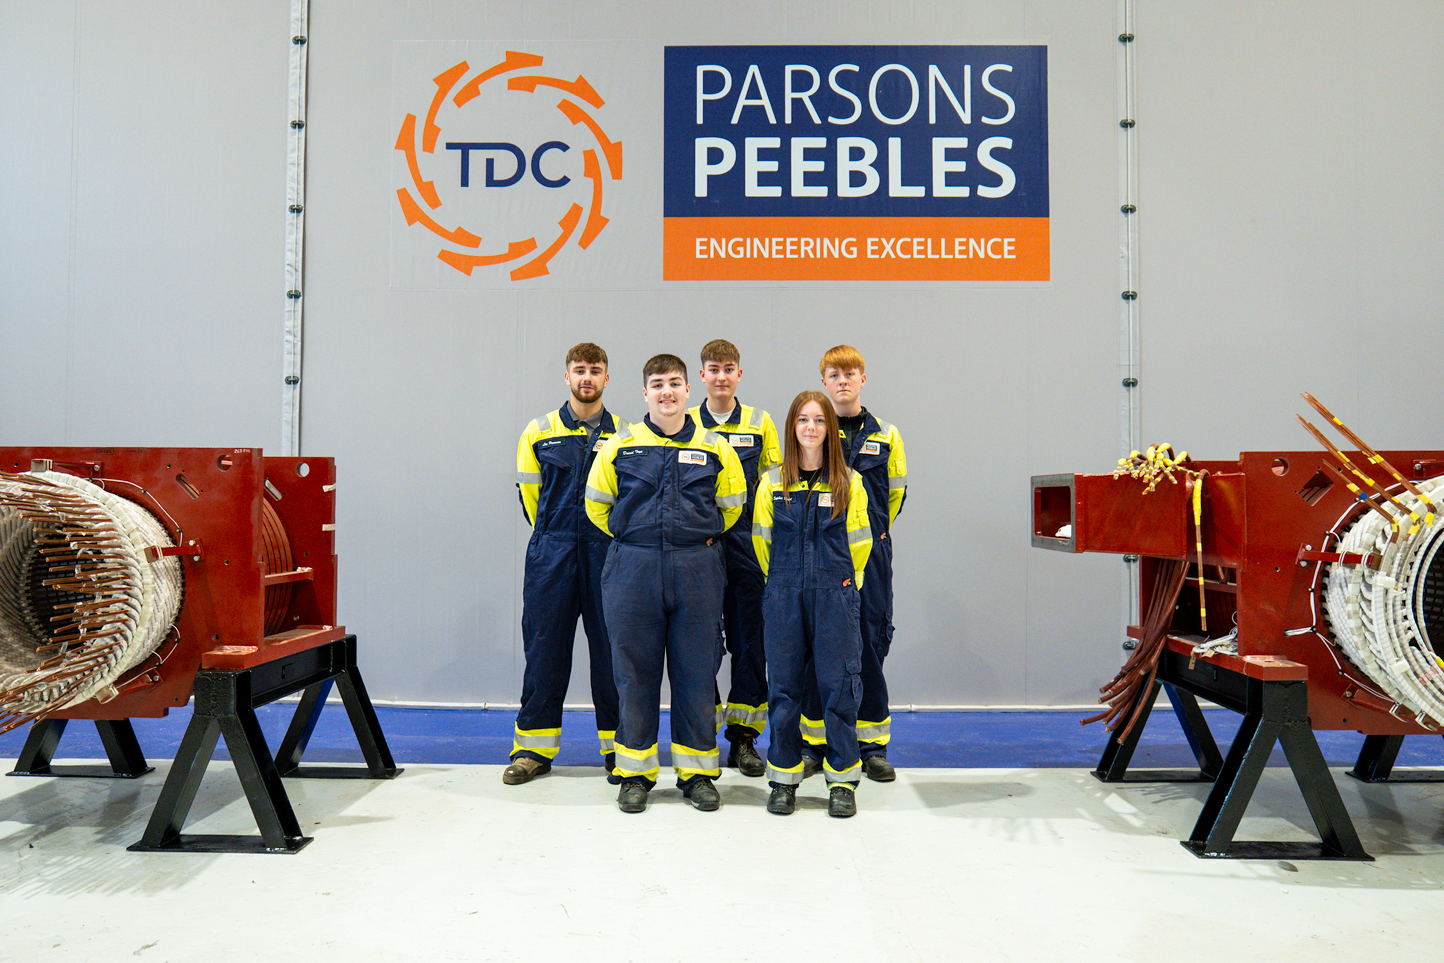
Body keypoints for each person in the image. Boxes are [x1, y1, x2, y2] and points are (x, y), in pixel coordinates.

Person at [585, 353, 748, 813]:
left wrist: (693, 538)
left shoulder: (716, 448)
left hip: (698, 568)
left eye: (674, 383)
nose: (667, 392)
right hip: (633, 569)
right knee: (633, 674)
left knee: (696, 673)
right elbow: (597, 505)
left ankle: (697, 775)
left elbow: (732, 505)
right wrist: (637, 538)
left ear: (688, 390)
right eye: (657, 384)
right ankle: (635, 774)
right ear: (644, 393)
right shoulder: (620, 446)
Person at [506, 343, 628, 785]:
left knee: (613, 654)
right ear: (567, 377)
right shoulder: (539, 431)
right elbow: (531, 498)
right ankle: (533, 750)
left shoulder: (626, 436)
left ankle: (620, 749)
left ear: (606, 378)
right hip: (552, 554)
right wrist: (553, 536)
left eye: (595, 370)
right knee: (545, 650)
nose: (587, 378)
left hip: (607, 556)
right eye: (580, 370)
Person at [753, 391, 872, 818]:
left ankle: (841, 782)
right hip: (783, 595)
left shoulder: (848, 483)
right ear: (792, 427)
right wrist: (782, 584)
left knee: (839, 688)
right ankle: (784, 780)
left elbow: (860, 545)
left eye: (820, 420)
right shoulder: (772, 483)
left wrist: (843, 587)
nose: (811, 427)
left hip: (835, 595)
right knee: (784, 689)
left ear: (830, 429)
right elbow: (762, 542)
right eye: (803, 419)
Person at [801, 345, 907, 782]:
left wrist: (870, 535)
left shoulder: (887, 435)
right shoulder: (814, 429)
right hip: (821, 556)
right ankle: (815, 744)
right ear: (823, 381)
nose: (842, 381)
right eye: (834, 375)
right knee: (817, 649)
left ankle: (872, 745)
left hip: (871, 554)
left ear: (863, 379)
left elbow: (896, 494)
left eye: (850, 374)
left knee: (868, 644)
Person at [688, 339, 781, 777]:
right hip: (699, 548)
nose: (721, 376)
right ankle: (701, 734)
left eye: (729, 369)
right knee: (699, 644)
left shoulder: (761, 423)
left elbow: (775, 487)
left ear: (739, 374)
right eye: (714, 369)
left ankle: (743, 739)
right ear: (701, 376)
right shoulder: (685, 423)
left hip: (746, 547)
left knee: (749, 643)